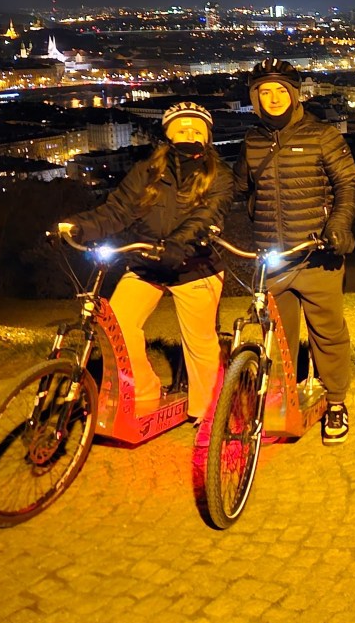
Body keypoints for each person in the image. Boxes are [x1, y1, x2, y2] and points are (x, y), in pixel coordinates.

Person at [56, 101, 233, 422]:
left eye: (196, 129)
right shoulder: (147, 172)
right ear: (168, 134)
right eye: (181, 128)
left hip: (195, 265)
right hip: (148, 262)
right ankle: (144, 392)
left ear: (207, 137)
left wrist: (178, 244)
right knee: (118, 326)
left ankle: (207, 413)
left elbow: (207, 217)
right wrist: (80, 226)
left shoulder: (218, 175)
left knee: (200, 342)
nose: (188, 133)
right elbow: (117, 211)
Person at [235, 58, 355, 445]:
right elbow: (239, 190)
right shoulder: (252, 141)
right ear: (256, 99)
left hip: (317, 253)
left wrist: (338, 226)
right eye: (265, 93)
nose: (274, 99)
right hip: (274, 256)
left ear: (295, 95)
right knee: (281, 338)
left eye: (280, 92)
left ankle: (336, 401)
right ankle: (282, 401)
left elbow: (350, 186)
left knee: (327, 333)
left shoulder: (322, 135)